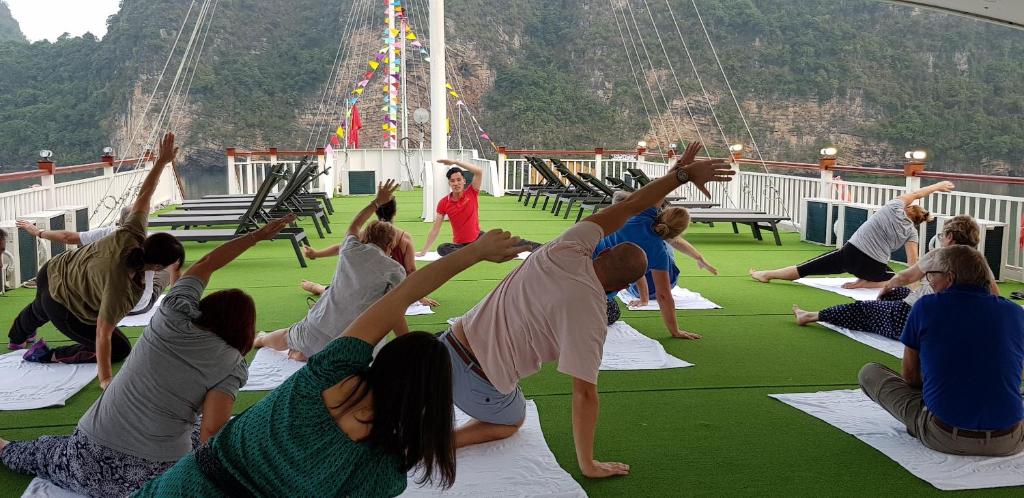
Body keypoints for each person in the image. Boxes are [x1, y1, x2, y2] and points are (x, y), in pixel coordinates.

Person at [134, 229, 527, 497]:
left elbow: (403, 295)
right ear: (434, 402)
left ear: (385, 360)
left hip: (185, 482)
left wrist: (475, 252)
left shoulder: (327, 372)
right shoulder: (385, 470)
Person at [444, 141, 733, 478]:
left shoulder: (568, 246)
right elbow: (584, 394)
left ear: (603, 253)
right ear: (619, 290)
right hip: (481, 381)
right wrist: (588, 463)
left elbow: (635, 203)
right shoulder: (593, 319)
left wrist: (680, 174)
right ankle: (444, 440)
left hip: (446, 346)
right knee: (513, 420)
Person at [0, 215, 296, 498]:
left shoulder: (171, 314)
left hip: (86, 460)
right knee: (203, 427)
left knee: (40, 452)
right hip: (157, 481)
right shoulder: (231, 365)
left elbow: (207, 263)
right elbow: (211, 435)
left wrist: (256, 236)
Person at [8, 133, 184, 389]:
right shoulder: (123, 290)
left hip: (53, 270)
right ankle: (47, 354)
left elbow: (145, 193)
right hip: (63, 306)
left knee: (40, 306)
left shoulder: (130, 232)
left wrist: (161, 162)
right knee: (120, 349)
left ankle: (17, 337)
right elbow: (103, 333)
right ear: (157, 267)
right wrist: (105, 379)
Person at [859, 245, 1024, 457]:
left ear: (950, 277)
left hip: (944, 436)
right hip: (1009, 440)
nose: (930, 281)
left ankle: (925, 420)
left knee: (869, 373)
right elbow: (1015, 375)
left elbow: (910, 376)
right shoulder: (1014, 312)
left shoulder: (926, 307)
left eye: (932, 275)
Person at [254, 180, 409, 361]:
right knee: (326, 353)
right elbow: (394, 311)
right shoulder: (395, 270)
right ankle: (304, 355)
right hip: (355, 346)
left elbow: (355, 225)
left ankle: (261, 339)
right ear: (390, 245)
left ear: (364, 238)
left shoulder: (351, 248)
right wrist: (408, 343)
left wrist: (376, 202)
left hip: (318, 327)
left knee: (288, 336)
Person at [792, 215, 998, 337]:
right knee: (898, 293)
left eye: (943, 236)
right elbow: (995, 295)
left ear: (950, 237)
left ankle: (810, 316)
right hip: (951, 319)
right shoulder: (979, 260)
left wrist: (886, 287)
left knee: (863, 309)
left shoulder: (942, 254)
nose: (942, 239)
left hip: (913, 318)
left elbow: (905, 277)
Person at [750, 182, 955, 289]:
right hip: (874, 267)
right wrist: (914, 288)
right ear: (918, 221)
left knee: (804, 268)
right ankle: (867, 282)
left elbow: (918, 194)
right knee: (895, 278)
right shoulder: (912, 233)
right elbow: (912, 263)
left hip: (850, 253)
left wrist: (938, 186)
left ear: (908, 208)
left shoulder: (893, 207)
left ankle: (767, 274)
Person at [14, 209, 180, 321]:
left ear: (120, 222)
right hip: (138, 306)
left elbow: (67, 237)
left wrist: (38, 232)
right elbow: (173, 265)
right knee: (166, 268)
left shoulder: (107, 234)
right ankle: (174, 300)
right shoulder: (152, 241)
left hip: (98, 306)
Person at [300, 182, 438, 307]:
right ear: (395, 212)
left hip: (363, 288)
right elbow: (411, 271)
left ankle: (317, 287)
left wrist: (316, 254)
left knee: (336, 292)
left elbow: (342, 246)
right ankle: (317, 288)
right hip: (381, 291)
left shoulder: (367, 233)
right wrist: (420, 297)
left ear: (377, 211)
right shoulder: (404, 238)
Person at [596, 204, 715, 339]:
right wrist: (675, 331)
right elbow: (663, 295)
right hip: (597, 287)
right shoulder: (659, 253)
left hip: (579, 264)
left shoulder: (644, 214)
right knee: (612, 313)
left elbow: (653, 194)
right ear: (677, 233)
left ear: (662, 213)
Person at [417, 158, 541, 257]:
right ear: (449, 183)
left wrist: (456, 162)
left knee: (511, 240)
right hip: (462, 245)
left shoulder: (472, 192)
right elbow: (435, 230)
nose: (456, 183)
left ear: (464, 181)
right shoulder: (444, 203)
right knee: (442, 248)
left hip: (480, 238)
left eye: (459, 180)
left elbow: (479, 171)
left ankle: (544, 248)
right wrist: (424, 252)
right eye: (452, 181)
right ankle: (481, 252)